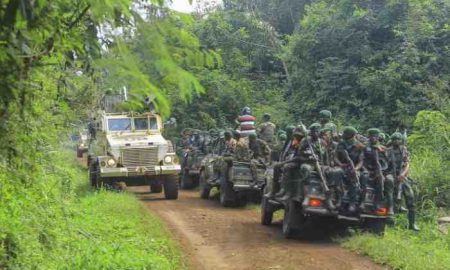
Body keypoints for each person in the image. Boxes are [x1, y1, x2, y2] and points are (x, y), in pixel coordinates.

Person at [385, 132, 419, 231]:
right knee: (389, 180)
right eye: (394, 139)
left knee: (410, 198)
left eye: (398, 139)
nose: (396, 141)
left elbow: (407, 164)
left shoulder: (404, 150)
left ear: (401, 141)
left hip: (402, 176)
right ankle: (391, 209)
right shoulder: (388, 151)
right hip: (391, 174)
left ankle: (412, 224)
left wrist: (403, 174)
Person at [296, 123, 333, 207]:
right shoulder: (305, 141)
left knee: (330, 172)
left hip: (320, 164)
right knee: (306, 169)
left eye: (317, 131)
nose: (315, 133)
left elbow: (326, 157)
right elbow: (299, 155)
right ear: (311, 132)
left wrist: (328, 166)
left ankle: (328, 198)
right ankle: (307, 196)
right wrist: (308, 158)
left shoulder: (322, 143)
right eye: (314, 131)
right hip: (308, 162)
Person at [360, 128, 394, 215]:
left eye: (375, 137)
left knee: (381, 181)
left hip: (378, 171)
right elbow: (361, 160)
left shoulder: (382, 148)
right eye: (371, 136)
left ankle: (378, 204)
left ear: (378, 137)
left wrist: (381, 172)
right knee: (364, 178)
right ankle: (362, 201)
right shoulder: (364, 146)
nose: (373, 138)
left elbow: (386, 162)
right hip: (366, 169)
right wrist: (365, 169)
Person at [335, 126, 364, 213]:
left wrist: (356, 168)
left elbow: (361, 161)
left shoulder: (359, 145)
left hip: (354, 168)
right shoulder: (341, 144)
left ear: (350, 135)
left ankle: (352, 203)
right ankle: (339, 199)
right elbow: (335, 157)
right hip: (342, 167)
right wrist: (340, 164)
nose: (343, 135)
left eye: (345, 133)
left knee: (354, 180)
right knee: (337, 174)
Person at [272, 132, 304, 199]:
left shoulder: (301, 145)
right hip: (295, 162)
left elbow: (297, 158)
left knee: (286, 167)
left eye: (294, 139)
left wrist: (283, 163)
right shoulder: (294, 145)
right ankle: (275, 189)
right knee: (277, 166)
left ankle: (287, 191)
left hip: (300, 163)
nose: (293, 141)